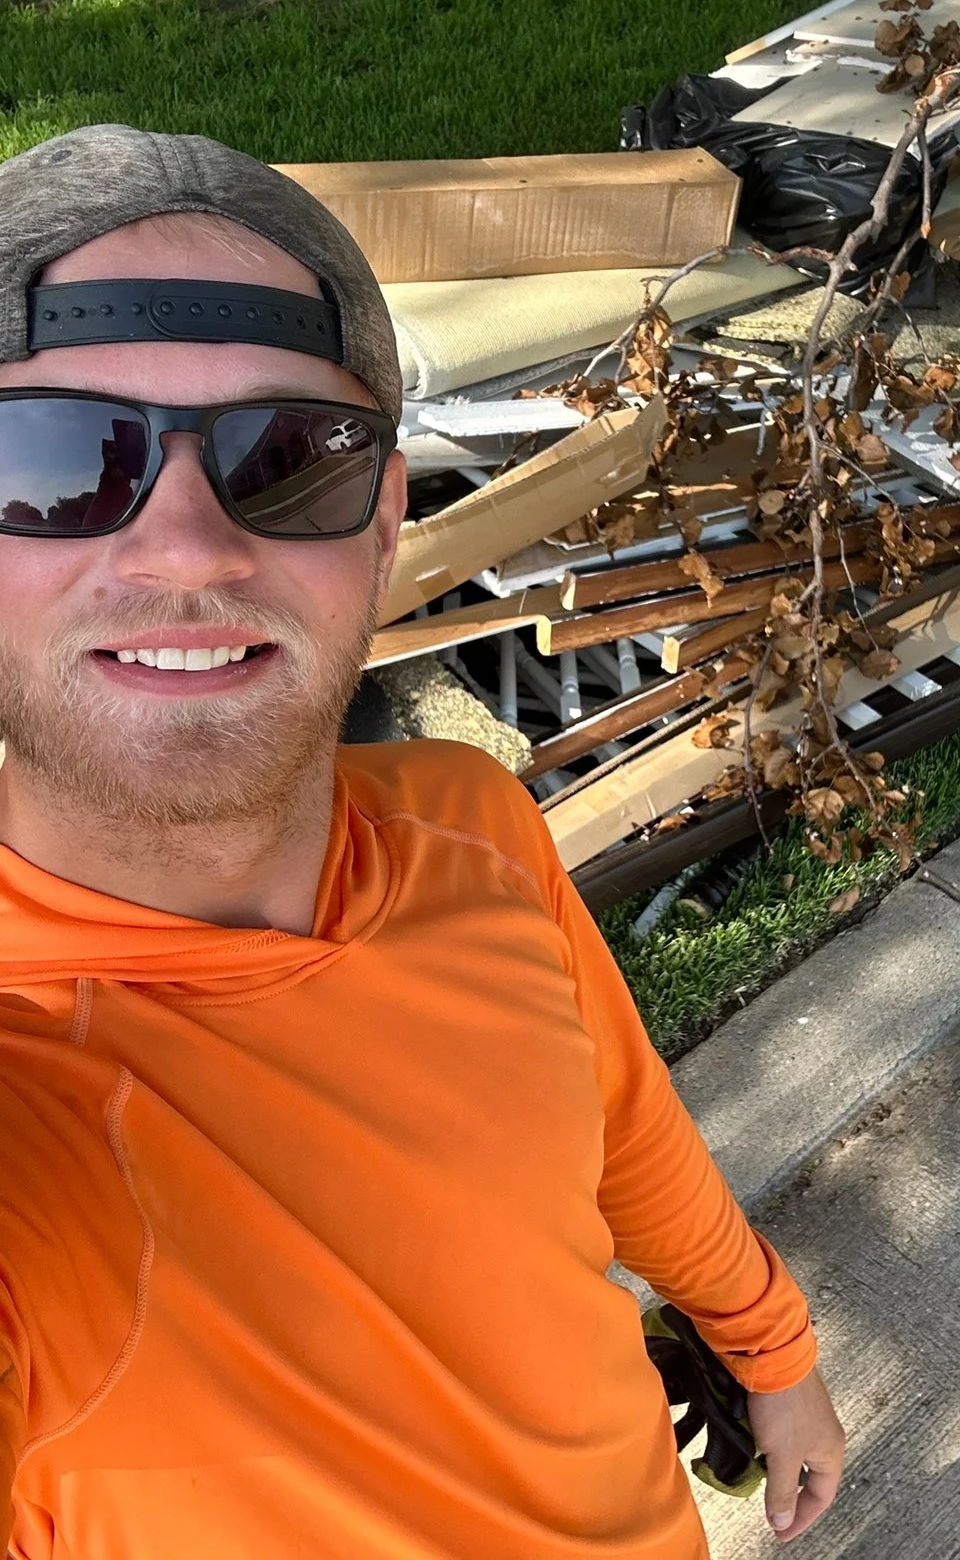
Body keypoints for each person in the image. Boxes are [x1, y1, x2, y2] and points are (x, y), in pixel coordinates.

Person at [0, 124, 845, 1560]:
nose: (190, 550)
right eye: (60, 458)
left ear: (384, 524)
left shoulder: (471, 821)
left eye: (287, 460)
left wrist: (770, 1348)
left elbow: (622, 1130)